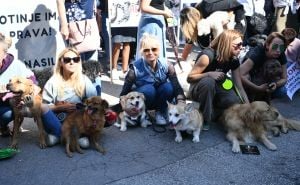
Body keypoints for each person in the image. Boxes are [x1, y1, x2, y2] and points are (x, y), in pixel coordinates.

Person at [187, 30, 249, 130]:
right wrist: (209, 74)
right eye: (238, 45)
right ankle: (204, 119)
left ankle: (212, 111)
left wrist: (248, 107)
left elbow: (239, 86)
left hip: (218, 87)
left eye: (242, 44)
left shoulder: (233, 59)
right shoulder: (208, 56)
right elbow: (189, 78)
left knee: (234, 100)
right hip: (199, 87)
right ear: (227, 44)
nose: (241, 47)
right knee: (208, 82)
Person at [120, 34, 186, 125]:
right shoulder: (134, 69)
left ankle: (161, 112)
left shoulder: (167, 65)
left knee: (169, 87)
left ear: (159, 50)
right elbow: (124, 94)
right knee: (149, 89)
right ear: (142, 52)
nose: (150, 52)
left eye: (154, 49)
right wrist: (125, 108)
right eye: (146, 50)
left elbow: (177, 87)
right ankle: (144, 112)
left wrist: (181, 103)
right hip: (144, 100)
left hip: (162, 99)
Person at [41, 47, 98, 146]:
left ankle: (58, 137)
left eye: (75, 59)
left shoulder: (84, 80)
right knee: (41, 107)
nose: (72, 62)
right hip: (57, 119)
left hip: (78, 119)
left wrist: (81, 107)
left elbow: (95, 103)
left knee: (105, 116)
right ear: (61, 62)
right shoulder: (52, 82)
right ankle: (73, 138)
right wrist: (59, 107)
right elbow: (43, 107)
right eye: (67, 60)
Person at [0, 33, 37, 136]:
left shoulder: (16, 65)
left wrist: (26, 98)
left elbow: (32, 81)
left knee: (8, 114)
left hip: (8, 104)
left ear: (5, 53)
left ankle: (3, 126)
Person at [240, 32, 288, 102]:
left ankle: (263, 99)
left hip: (265, 78)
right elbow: (240, 74)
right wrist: (257, 88)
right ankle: (246, 99)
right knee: (246, 77)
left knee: (282, 91)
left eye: (281, 47)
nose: (278, 50)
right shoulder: (258, 52)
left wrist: (275, 84)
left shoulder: (281, 53)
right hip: (252, 79)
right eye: (275, 46)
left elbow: (284, 78)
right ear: (268, 45)